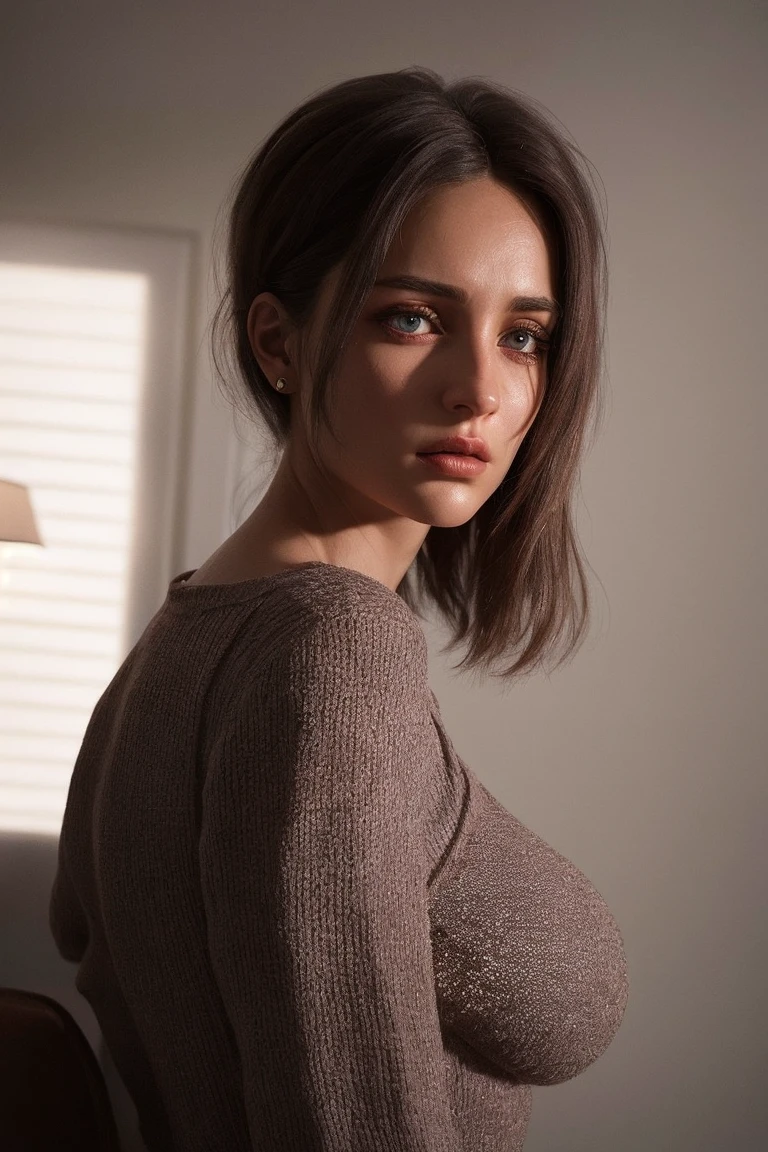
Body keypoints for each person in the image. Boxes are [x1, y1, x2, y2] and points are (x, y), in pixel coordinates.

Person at [49, 66, 629, 1151]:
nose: (483, 390)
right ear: (278, 342)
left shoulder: (188, 638)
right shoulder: (333, 653)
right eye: (413, 317)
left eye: (524, 335)